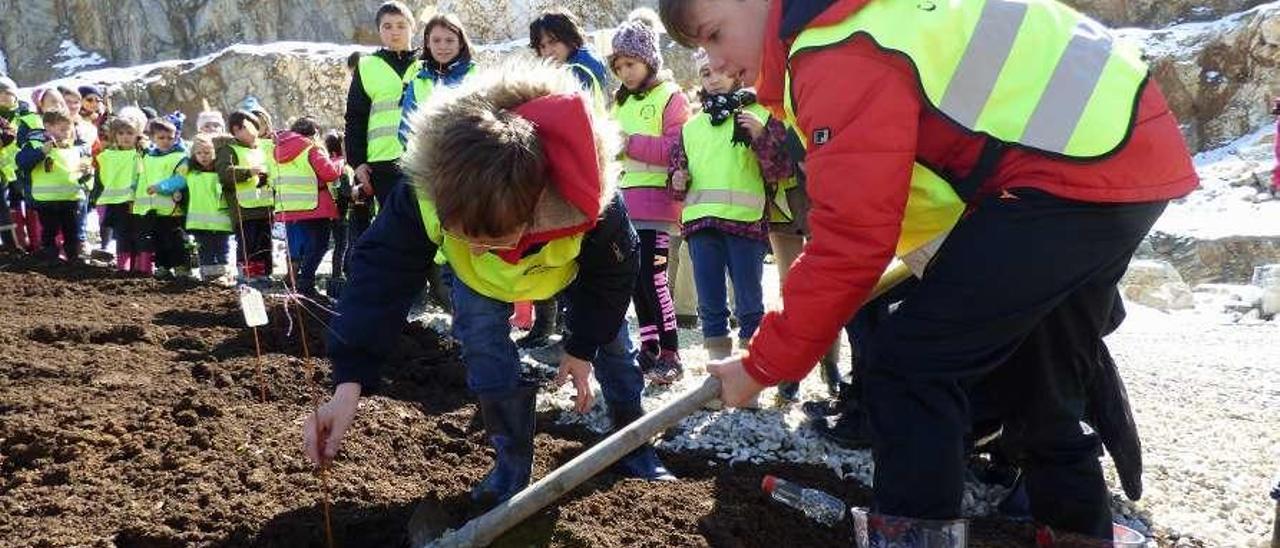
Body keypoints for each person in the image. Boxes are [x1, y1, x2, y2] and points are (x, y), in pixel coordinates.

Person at [661, 0, 1198, 543]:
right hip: (1117, 145)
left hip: (1069, 170)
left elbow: (850, 241)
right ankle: (1079, 534)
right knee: (1040, 378)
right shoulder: (860, 23)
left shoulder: (839, 47)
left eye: (714, 34)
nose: (716, 62)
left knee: (908, 367)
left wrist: (763, 363)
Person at [303, 60, 673, 510]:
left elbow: (614, 275)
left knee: (614, 343)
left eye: (494, 239)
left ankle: (632, 439)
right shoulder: (425, 189)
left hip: (569, 268)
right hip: (481, 286)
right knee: (481, 343)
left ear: (535, 206)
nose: (479, 248)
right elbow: (379, 278)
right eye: (464, 237)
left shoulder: (588, 197)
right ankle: (511, 463)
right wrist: (348, 385)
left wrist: (582, 346)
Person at [670, 48, 788, 377]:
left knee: (749, 304)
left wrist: (762, 138)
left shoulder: (761, 114)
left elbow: (780, 170)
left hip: (745, 225)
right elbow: (675, 180)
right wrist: (678, 180)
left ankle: (750, 374)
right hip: (700, 225)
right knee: (709, 305)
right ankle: (718, 376)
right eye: (705, 73)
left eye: (719, 70)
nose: (713, 78)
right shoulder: (691, 128)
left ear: (735, 70)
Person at [609, 14, 691, 383]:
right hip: (625, 204)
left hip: (658, 205)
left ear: (650, 61)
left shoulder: (670, 97)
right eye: (620, 65)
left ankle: (672, 352)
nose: (626, 72)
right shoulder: (619, 102)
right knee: (635, 279)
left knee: (653, 277)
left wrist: (630, 144)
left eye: (632, 63)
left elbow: (678, 148)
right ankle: (649, 347)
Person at [344, 0, 420, 209]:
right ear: (379, 30)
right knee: (393, 228)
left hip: (424, 157)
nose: (395, 32)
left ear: (412, 28)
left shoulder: (427, 64)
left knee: (427, 230)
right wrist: (358, 162)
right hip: (382, 163)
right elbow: (355, 118)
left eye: (401, 25)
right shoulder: (367, 66)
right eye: (387, 26)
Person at [274, 116, 344, 297]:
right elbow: (329, 174)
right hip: (314, 206)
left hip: (289, 206)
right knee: (319, 246)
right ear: (315, 133)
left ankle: (295, 282)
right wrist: (339, 162)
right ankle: (306, 282)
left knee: (298, 247)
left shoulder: (277, 150)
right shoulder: (311, 148)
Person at [15, 110, 90, 261]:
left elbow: (82, 174)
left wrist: (87, 171)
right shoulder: (35, 144)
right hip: (46, 200)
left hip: (70, 198)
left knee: (72, 230)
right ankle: (50, 258)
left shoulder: (75, 148)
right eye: (62, 129)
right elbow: (22, 162)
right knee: (50, 230)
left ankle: (73, 258)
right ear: (48, 127)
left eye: (69, 129)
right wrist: (41, 152)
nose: (67, 133)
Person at [399, 13, 477, 145]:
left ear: (461, 43)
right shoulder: (418, 81)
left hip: (468, 159)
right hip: (427, 160)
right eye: (436, 40)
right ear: (428, 43)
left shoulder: (476, 76)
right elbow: (405, 130)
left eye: (449, 40)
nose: (442, 46)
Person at [217, 110, 273, 285]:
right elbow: (224, 174)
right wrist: (248, 172)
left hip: (264, 205)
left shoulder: (265, 148)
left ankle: (264, 274)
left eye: (246, 127)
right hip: (244, 209)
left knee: (264, 243)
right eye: (238, 129)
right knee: (248, 243)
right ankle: (247, 275)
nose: (243, 132)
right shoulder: (229, 150)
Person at [135, 114, 190, 279]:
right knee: (159, 239)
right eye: (161, 137)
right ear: (153, 138)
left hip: (174, 208)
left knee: (178, 240)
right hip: (154, 208)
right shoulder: (148, 157)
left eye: (170, 137)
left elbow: (180, 179)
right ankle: (162, 266)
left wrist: (161, 187)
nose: (166, 140)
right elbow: (141, 178)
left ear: (177, 137)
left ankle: (182, 267)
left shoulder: (181, 157)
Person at [91, 117, 144, 272]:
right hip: (116, 203)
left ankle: (139, 265)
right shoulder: (107, 155)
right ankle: (123, 266)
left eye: (130, 133)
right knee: (122, 235)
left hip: (138, 202)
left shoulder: (142, 154)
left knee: (139, 234)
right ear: (115, 136)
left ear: (137, 135)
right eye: (121, 133)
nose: (125, 137)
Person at [529, 7, 608, 107]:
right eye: (542, 46)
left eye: (553, 42)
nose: (548, 51)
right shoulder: (572, 60)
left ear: (569, 37)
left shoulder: (583, 65)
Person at [183, 134, 235, 285]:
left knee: (221, 248)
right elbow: (179, 183)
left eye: (207, 153)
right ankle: (206, 274)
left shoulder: (220, 173)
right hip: (200, 222)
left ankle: (223, 274)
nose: (203, 157)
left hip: (221, 220)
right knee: (204, 248)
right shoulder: (190, 172)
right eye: (199, 153)